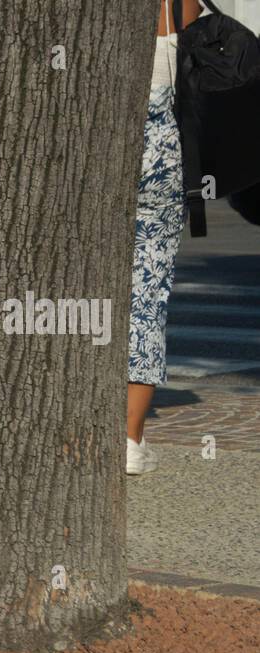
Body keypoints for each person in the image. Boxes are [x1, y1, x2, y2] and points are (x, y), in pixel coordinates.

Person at [127, 0, 201, 475]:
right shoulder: (179, 3)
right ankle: (130, 438)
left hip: (108, 144)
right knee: (147, 296)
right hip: (166, 154)